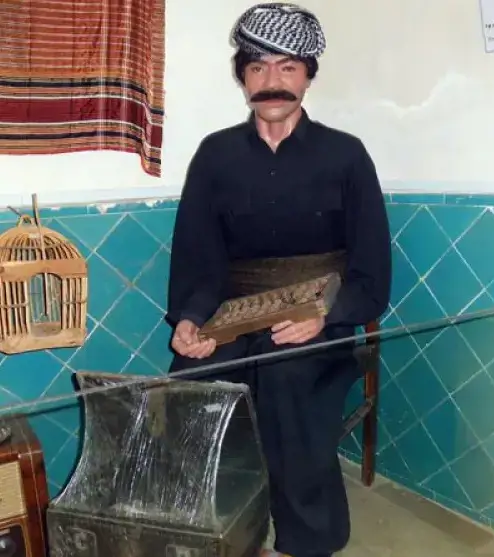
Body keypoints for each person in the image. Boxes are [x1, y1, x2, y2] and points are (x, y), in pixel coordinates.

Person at [166, 3, 392, 556]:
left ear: (308, 76)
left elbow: (371, 271)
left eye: (287, 67)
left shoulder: (346, 155)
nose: (272, 81)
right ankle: (226, 533)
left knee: (289, 379)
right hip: (233, 314)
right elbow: (200, 257)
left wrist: (325, 316)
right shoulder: (215, 155)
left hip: (321, 318)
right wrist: (192, 320)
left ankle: (306, 540)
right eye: (258, 67)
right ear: (242, 76)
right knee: (193, 384)